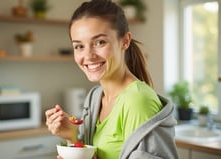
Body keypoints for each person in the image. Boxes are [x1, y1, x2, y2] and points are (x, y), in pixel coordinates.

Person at [45, 0, 179, 158]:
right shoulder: (95, 98)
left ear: (125, 41)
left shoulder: (137, 101)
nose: (88, 56)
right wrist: (71, 136)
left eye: (99, 42)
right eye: (79, 46)